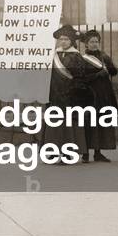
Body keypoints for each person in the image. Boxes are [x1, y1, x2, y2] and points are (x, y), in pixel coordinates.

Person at [41, 25, 88, 163]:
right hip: (55, 95)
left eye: (66, 39)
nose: (63, 42)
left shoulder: (77, 56)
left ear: (72, 41)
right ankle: (53, 151)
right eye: (61, 39)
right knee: (54, 124)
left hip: (70, 96)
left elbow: (80, 77)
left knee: (69, 125)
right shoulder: (54, 55)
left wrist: (73, 91)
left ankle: (69, 152)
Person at [77, 30, 117, 162]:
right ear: (86, 45)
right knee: (88, 124)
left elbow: (114, 72)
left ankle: (98, 152)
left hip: (103, 94)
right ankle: (86, 153)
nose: (94, 44)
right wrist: (97, 75)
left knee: (100, 124)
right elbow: (81, 78)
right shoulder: (83, 59)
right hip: (89, 95)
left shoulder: (103, 57)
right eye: (91, 42)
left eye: (96, 42)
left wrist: (108, 64)